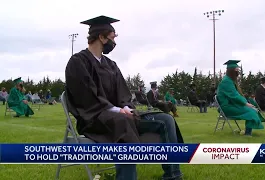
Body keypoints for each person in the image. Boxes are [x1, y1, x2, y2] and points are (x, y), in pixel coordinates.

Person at [65, 16, 184, 180]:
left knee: (165, 119)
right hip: (94, 118)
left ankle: (173, 175)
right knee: (123, 123)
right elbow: (86, 96)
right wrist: (117, 110)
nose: (114, 43)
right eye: (112, 38)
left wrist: (126, 108)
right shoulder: (78, 62)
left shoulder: (111, 65)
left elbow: (122, 94)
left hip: (119, 116)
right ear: (101, 37)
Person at [217, 60, 264, 136]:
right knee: (250, 111)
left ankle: (247, 131)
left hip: (232, 104)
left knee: (253, 109)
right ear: (232, 70)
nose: (238, 72)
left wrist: (246, 103)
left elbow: (238, 95)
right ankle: (247, 134)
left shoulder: (230, 80)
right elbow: (234, 96)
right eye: (237, 70)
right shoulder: (226, 82)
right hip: (226, 107)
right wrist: (245, 104)